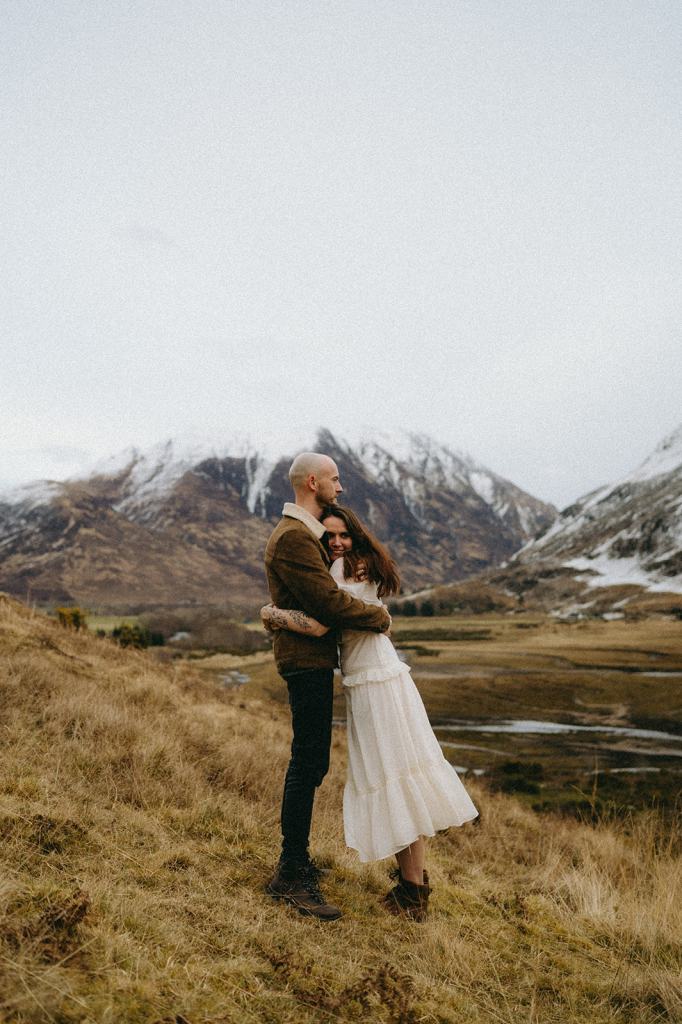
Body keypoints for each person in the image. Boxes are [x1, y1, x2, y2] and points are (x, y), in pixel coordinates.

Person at [262, 504, 479, 921]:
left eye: (344, 535)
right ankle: (412, 888)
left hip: (374, 684)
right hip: (379, 678)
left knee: (390, 776)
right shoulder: (360, 567)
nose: (338, 543)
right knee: (397, 776)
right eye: (329, 538)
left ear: (356, 536)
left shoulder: (345, 569)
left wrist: (271, 614)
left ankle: (413, 891)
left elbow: (322, 624)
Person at [263, 454, 392, 922]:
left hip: (312, 660)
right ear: (313, 482)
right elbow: (328, 602)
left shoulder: (303, 534)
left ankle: (296, 862)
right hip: (305, 663)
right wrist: (378, 617)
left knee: (311, 762)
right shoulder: (294, 537)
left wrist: (274, 614)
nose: (341, 487)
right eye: (335, 479)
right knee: (308, 763)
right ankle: (291, 871)